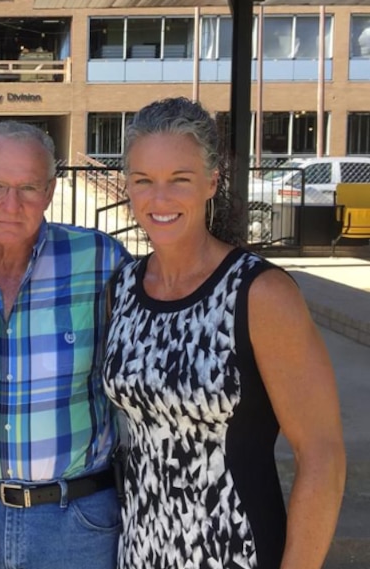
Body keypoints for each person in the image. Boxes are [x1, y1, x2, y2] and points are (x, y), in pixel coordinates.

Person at [103, 97, 346, 569]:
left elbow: (323, 456)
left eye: (180, 179)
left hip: (235, 551)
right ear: (128, 188)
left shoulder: (260, 293)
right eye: (143, 181)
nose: (160, 199)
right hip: (139, 552)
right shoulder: (124, 289)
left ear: (212, 182)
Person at [0, 120, 131, 569]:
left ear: (49, 191)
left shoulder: (100, 260)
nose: (11, 204)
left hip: (76, 521)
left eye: (28, 187)